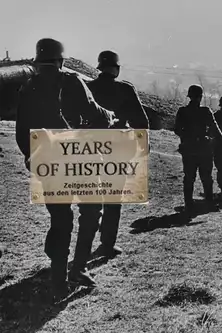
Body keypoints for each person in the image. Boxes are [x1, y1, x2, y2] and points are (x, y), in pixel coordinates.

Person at [15, 38, 117, 295]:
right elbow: (93, 111)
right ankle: (79, 268)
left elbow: (20, 132)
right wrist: (110, 116)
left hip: (48, 161)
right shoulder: (71, 80)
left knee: (60, 219)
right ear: (60, 60)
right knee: (92, 211)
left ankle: (59, 279)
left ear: (38, 62)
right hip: (79, 159)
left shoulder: (27, 87)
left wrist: (31, 156)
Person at [86, 50, 150, 258]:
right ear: (117, 68)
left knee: (90, 199)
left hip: (90, 149)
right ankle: (107, 244)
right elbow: (141, 121)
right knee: (113, 197)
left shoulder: (87, 88)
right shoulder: (125, 89)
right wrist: (143, 145)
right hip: (117, 150)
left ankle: (83, 244)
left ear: (99, 68)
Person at [174, 85, 222, 214]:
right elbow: (215, 128)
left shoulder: (182, 111)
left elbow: (176, 129)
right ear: (201, 97)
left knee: (189, 177)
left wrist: (187, 137)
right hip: (204, 149)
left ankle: (188, 204)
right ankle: (208, 204)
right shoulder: (205, 111)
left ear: (189, 96)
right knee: (206, 177)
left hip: (189, 149)